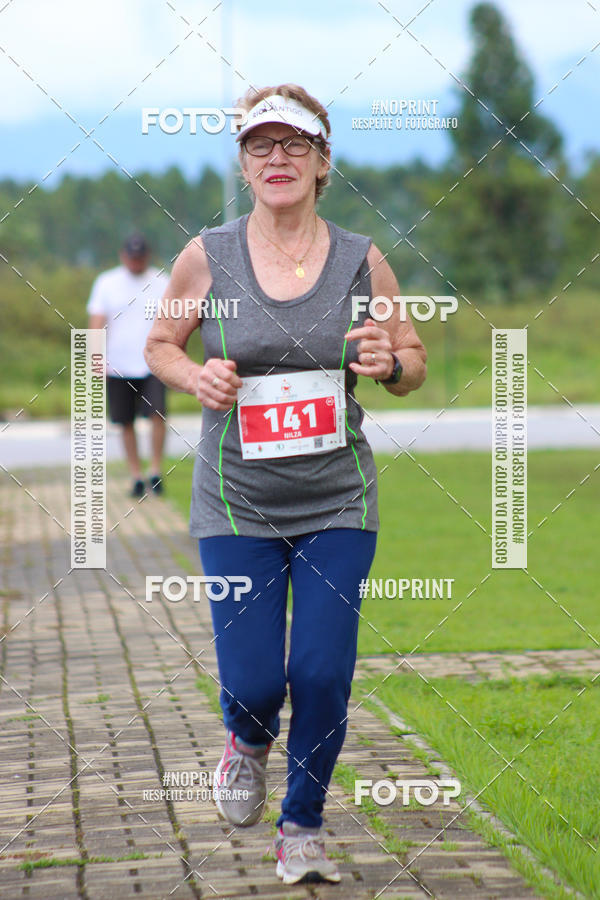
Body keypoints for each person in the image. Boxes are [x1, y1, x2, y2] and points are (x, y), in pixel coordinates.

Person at [144, 84, 427, 885]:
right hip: (237, 499)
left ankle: (301, 828)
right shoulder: (209, 254)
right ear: (243, 162)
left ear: (323, 160)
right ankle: (247, 736)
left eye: (294, 144)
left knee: (323, 672)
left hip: (339, 496)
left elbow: (409, 359)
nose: (278, 157)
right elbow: (161, 342)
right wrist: (195, 375)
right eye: (261, 145)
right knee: (258, 680)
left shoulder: (362, 258)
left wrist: (389, 364)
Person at [88, 234, 169, 497]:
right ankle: (136, 475)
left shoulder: (162, 281)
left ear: (147, 256)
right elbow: (97, 320)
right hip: (118, 363)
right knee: (125, 421)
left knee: (158, 415)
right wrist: (95, 358)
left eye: (140, 257)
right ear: (124, 256)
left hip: (153, 362)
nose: (136, 262)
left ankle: (155, 470)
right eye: (132, 257)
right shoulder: (106, 282)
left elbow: (171, 322)